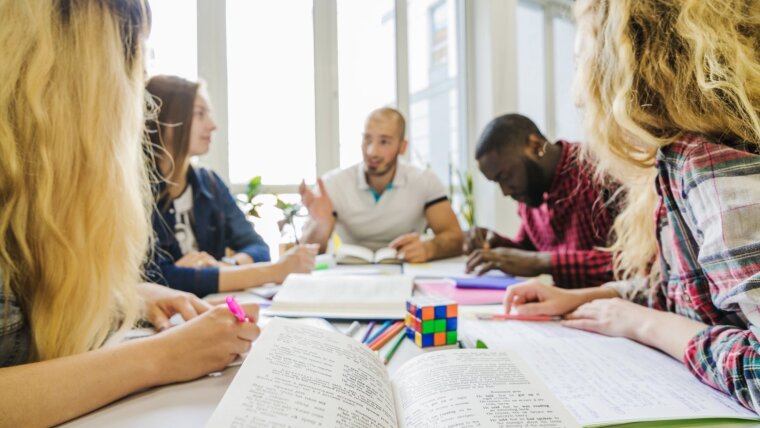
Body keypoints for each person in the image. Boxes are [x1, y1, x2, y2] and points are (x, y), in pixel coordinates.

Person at [0, 2, 259, 426]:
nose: (141, 88)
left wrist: (124, 297)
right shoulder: (139, 190)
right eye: (134, 61)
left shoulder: (207, 183)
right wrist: (163, 357)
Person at [504, 0, 760, 413]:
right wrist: (585, 297)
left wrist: (643, 324)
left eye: (581, 62)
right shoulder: (678, 158)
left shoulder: (710, 162)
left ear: (627, 63)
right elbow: (688, 295)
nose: (578, 97)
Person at [145, 75, 317, 297]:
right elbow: (160, 279)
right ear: (166, 119)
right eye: (199, 114)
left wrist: (226, 265)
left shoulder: (210, 183)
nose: (212, 125)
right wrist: (275, 271)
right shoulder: (137, 192)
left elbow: (258, 248)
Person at [464, 114, 621, 288]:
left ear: (535, 146)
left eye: (505, 176)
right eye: (497, 182)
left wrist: (544, 262)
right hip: (567, 306)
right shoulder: (532, 192)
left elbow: (633, 265)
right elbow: (528, 253)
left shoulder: (602, 171)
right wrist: (496, 247)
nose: (505, 191)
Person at [299, 107, 464, 262]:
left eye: (384, 142)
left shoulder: (425, 181)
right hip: (350, 272)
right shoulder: (333, 184)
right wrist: (320, 224)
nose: (372, 152)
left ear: (402, 146)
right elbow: (307, 253)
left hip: (407, 269)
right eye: (367, 140)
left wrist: (429, 249)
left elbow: (455, 237)